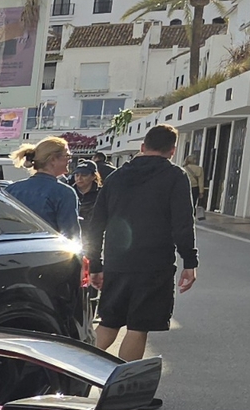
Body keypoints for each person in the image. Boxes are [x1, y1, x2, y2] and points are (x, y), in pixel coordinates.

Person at [84, 122, 197, 361]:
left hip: (117, 261)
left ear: (143, 146)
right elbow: (183, 223)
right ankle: (123, 386)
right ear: (172, 151)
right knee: (137, 327)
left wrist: (95, 264)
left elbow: (96, 224)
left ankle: (75, 370)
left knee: (108, 323)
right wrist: (190, 261)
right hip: (154, 264)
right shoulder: (175, 176)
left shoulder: (115, 177)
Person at [5, 136, 81, 239]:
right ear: (53, 159)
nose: (69, 160)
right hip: (48, 250)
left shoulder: (11, 189)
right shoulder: (64, 193)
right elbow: (70, 235)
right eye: (67, 156)